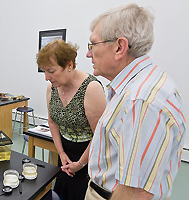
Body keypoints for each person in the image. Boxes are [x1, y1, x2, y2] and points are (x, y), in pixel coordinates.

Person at [85, 4, 186, 200]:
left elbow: (135, 193)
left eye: (93, 45)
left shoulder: (141, 100)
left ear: (119, 47)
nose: (89, 53)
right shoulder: (132, 88)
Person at [36, 40, 106, 199]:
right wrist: (61, 153)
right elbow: (52, 122)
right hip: (65, 155)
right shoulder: (52, 88)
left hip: (87, 157)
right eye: (44, 71)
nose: (47, 77)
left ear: (69, 65)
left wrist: (80, 163)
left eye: (51, 71)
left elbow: (99, 135)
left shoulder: (91, 88)